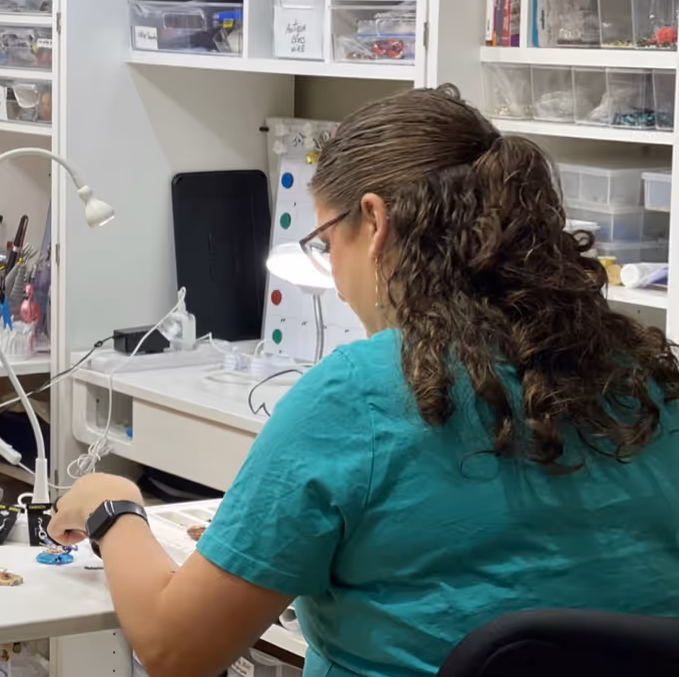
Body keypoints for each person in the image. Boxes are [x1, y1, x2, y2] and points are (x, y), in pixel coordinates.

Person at [49, 86, 679, 677]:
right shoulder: (650, 379)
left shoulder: (359, 394)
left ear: (375, 225)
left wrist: (112, 507)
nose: (335, 275)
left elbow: (175, 649)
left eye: (326, 242)